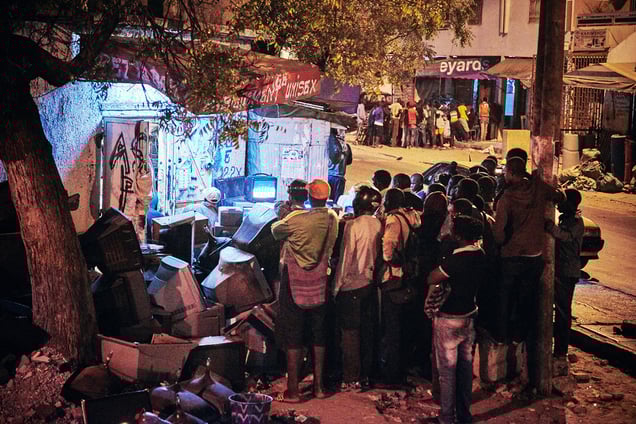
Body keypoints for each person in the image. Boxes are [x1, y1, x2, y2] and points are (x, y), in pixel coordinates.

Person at [492, 156, 564, 388]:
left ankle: (503, 337)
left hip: (511, 256)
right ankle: (521, 336)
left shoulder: (507, 198)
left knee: (504, 298)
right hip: (534, 255)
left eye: (506, 172)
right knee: (526, 300)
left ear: (511, 173)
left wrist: (502, 243)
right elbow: (560, 196)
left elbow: (499, 233)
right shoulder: (538, 188)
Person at [271, 179, 339, 402]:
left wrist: (290, 212)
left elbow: (275, 230)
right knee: (319, 335)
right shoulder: (332, 219)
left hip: (295, 283)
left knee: (294, 336)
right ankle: (319, 387)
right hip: (320, 283)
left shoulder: (296, 219)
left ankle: (293, 390)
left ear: (308, 197)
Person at [427, 215, 486, 424]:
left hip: (450, 319)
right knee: (465, 370)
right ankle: (464, 415)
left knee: (447, 372)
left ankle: (446, 417)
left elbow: (433, 277)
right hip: (470, 315)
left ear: (459, 236)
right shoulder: (480, 254)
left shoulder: (457, 259)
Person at [333, 186, 383, 391]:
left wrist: (336, 288)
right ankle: (365, 376)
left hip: (351, 285)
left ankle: (350, 378)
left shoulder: (352, 226)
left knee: (350, 334)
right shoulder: (380, 224)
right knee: (367, 332)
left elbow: (346, 259)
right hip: (370, 285)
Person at [379, 188, 421, 387]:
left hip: (395, 279)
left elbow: (388, 250)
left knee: (392, 329)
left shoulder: (394, 220)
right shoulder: (410, 217)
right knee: (402, 329)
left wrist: (390, 261)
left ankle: (392, 376)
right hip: (408, 279)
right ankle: (400, 371)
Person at [545, 188, 584, 377]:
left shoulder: (576, 222)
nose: (560, 204)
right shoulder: (565, 219)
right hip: (560, 270)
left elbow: (565, 237)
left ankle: (561, 351)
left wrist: (550, 227)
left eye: (563, 201)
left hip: (567, 272)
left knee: (562, 312)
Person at [327, 128, 352, 203]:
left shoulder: (327, 144)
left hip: (328, 176)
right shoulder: (346, 146)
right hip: (339, 178)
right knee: (335, 203)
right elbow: (349, 161)